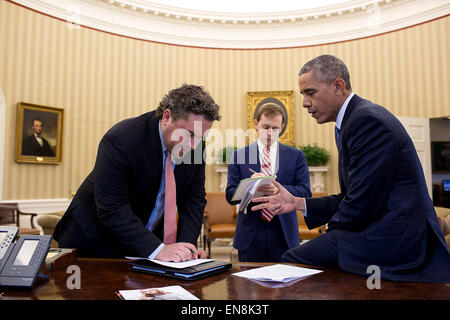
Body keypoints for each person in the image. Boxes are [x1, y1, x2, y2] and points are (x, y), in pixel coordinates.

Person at [252, 55, 450, 282]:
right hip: (380, 229)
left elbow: (360, 204)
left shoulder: (366, 121)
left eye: (310, 93)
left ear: (338, 86)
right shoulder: (353, 120)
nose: (305, 103)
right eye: (303, 95)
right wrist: (296, 202)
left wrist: (330, 230)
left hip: (394, 239)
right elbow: (352, 197)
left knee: (292, 260)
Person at [54, 84, 221, 261]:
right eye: (189, 133)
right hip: (93, 242)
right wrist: (157, 250)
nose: (194, 145)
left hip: (143, 245)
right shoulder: (122, 139)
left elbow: (193, 199)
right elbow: (112, 207)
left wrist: (186, 249)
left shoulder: (195, 147)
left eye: (201, 137)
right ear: (166, 117)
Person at [226, 102, 311, 262]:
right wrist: (249, 186)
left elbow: (305, 192)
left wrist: (278, 190)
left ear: (282, 126)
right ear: (256, 124)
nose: (270, 133)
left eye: (275, 128)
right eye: (265, 127)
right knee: (247, 284)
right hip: (250, 234)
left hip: (284, 232)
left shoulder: (296, 156)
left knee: (286, 285)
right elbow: (230, 196)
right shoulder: (239, 155)